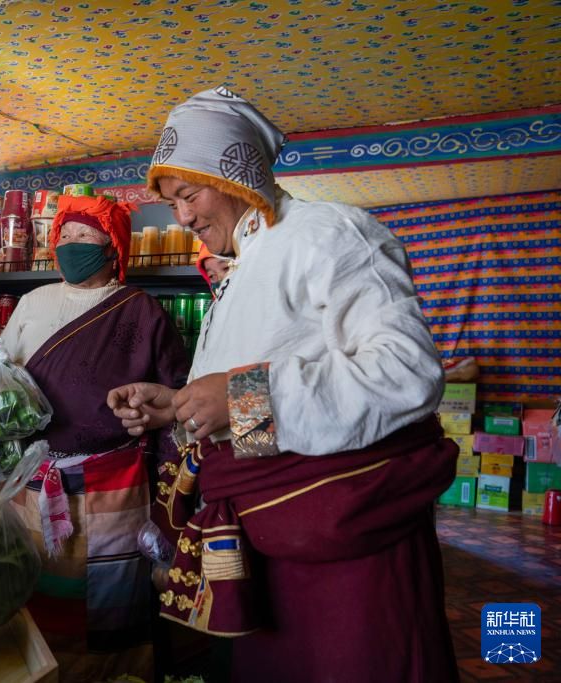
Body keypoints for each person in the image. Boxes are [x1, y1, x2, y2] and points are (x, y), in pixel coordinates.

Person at [108, 88, 460, 682]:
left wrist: (239, 397)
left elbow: (407, 373)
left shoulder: (329, 234)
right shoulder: (241, 269)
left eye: (190, 195)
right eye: (172, 204)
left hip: (343, 538)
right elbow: (246, 399)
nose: (183, 218)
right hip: (269, 537)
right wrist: (180, 407)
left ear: (236, 178)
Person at [0, 194, 190, 682]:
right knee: (31, 587)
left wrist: (170, 503)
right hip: (33, 475)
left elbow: (177, 397)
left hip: (112, 481)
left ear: (111, 246)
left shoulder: (141, 311)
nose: (71, 244)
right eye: (65, 235)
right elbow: (1, 371)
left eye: (85, 235)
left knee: (109, 601)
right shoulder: (33, 302)